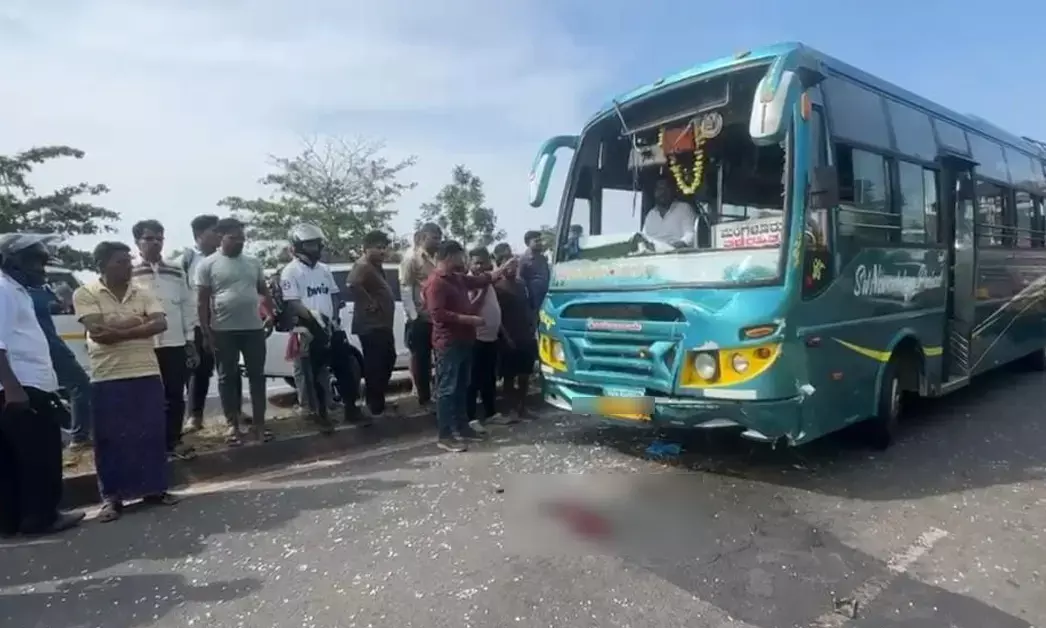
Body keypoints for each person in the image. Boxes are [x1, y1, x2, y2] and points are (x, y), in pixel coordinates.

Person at [73, 241, 179, 523]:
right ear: (102, 264)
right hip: (107, 375)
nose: (128, 266)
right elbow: (97, 332)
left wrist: (118, 329)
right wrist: (137, 322)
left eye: (128, 261)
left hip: (146, 371)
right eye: (120, 262)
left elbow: (160, 324)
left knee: (150, 434)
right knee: (110, 440)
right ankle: (112, 498)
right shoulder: (85, 293)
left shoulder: (142, 291)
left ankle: (154, 489)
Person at [0, 233, 84, 536]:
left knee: (12, 459)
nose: (41, 269)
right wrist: (12, 387)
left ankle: (12, 520)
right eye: (34, 261)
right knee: (41, 456)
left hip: (21, 385)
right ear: (11, 261)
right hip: (22, 386)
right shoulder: (3, 289)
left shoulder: (15, 290)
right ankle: (43, 517)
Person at [424, 240, 514, 452]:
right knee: (447, 389)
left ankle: (462, 428)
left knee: (462, 386)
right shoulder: (436, 283)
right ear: (450, 256)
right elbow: (438, 314)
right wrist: (469, 319)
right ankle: (445, 435)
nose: (462, 259)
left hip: (465, 340)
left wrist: (502, 268)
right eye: (460, 255)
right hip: (449, 343)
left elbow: (481, 280)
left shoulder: (457, 278)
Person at [195, 217, 276, 446]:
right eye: (234, 238)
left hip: (253, 329)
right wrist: (206, 331)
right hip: (223, 330)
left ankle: (259, 425)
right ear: (220, 237)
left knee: (257, 376)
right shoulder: (207, 265)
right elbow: (202, 301)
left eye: (242, 238)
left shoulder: (253, 262)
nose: (239, 242)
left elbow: (263, 291)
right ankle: (233, 425)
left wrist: (270, 314)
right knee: (226, 376)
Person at [279, 223, 364, 431]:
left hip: (331, 326)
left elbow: (334, 295)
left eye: (316, 244)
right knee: (312, 373)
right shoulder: (290, 271)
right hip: (308, 328)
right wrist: (314, 321)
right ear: (298, 247)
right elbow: (293, 302)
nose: (315, 249)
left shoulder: (324, 270)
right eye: (309, 245)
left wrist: (333, 319)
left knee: (344, 368)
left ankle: (351, 408)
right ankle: (320, 414)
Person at [132, 219, 198, 460]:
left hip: (174, 341)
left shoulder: (176, 270)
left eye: (159, 238)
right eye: (149, 238)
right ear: (137, 242)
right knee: (146, 396)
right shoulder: (130, 272)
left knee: (174, 395)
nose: (155, 243)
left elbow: (187, 306)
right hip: (144, 343)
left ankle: (173, 440)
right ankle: (150, 443)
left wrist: (190, 340)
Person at [28, 279, 93, 449]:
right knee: (80, 385)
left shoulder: (24, 290)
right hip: (50, 347)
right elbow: (58, 303)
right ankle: (80, 436)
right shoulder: (32, 292)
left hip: (38, 349)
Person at [176, 214, 221, 432]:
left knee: (228, 368)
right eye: (214, 231)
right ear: (200, 234)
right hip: (197, 322)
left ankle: (234, 411)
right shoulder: (188, 259)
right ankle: (195, 416)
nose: (219, 235)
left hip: (224, 321)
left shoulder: (224, 258)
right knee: (199, 370)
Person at [348, 230, 397, 418]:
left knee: (387, 360)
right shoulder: (363, 265)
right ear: (366, 248)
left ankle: (378, 402)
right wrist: (370, 302)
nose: (383, 251)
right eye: (378, 247)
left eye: (384, 247)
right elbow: (352, 284)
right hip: (371, 325)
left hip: (382, 324)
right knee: (376, 365)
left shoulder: (375, 266)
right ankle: (375, 406)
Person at [493, 251, 538, 420]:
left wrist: (532, 326)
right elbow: (497, 316)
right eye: (508, 264)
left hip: (525, 335)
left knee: (525, 374)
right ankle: (510, 408)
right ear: (501, 266)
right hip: (508, 337)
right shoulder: (497, 287)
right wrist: (506, 337)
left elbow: (529, 307)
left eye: (514, 264)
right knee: (509, 376)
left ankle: (522, 407)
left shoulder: (521, 285)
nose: (512, 268)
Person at [400, 223, 441, 406]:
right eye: (434, 238)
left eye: (439, 238)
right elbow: (406, 288)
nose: (438, 242)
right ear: (424, 237)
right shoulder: (411, 258)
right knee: (421, 360)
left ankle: (439, 394)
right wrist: (413, 316)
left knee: (440, 358)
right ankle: (424, 398)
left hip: (437, 316)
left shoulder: (438, 258)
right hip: (420, 318)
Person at [465, 246, 505, 432]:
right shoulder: (470, 283)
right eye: (476, 263)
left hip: (491, 338)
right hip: (476, 339)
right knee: (472, 380)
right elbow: (471, 308)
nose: (480, 267)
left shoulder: (487, 281)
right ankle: (471, 417)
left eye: (483, 262)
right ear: (469, 264)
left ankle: (491, 414)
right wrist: (482, 289)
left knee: (489, 378)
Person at [642, 176, 699, 248]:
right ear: (654, 192)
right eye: (659, 188)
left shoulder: (683, 208)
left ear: (672, 190)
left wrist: (670, 248)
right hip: (654, 253)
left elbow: (690, 236)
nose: (663, 192)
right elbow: (644, 238)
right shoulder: (651, 214)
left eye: (666, 188)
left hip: (677, 252)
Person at [518, 230, 550, 314]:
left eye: (540, 240)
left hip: (546, 296)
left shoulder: (542, 258)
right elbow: (520, 279)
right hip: (533, 298)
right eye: (536, 241)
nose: (540, 243)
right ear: (527, 243)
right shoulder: (523, 259)